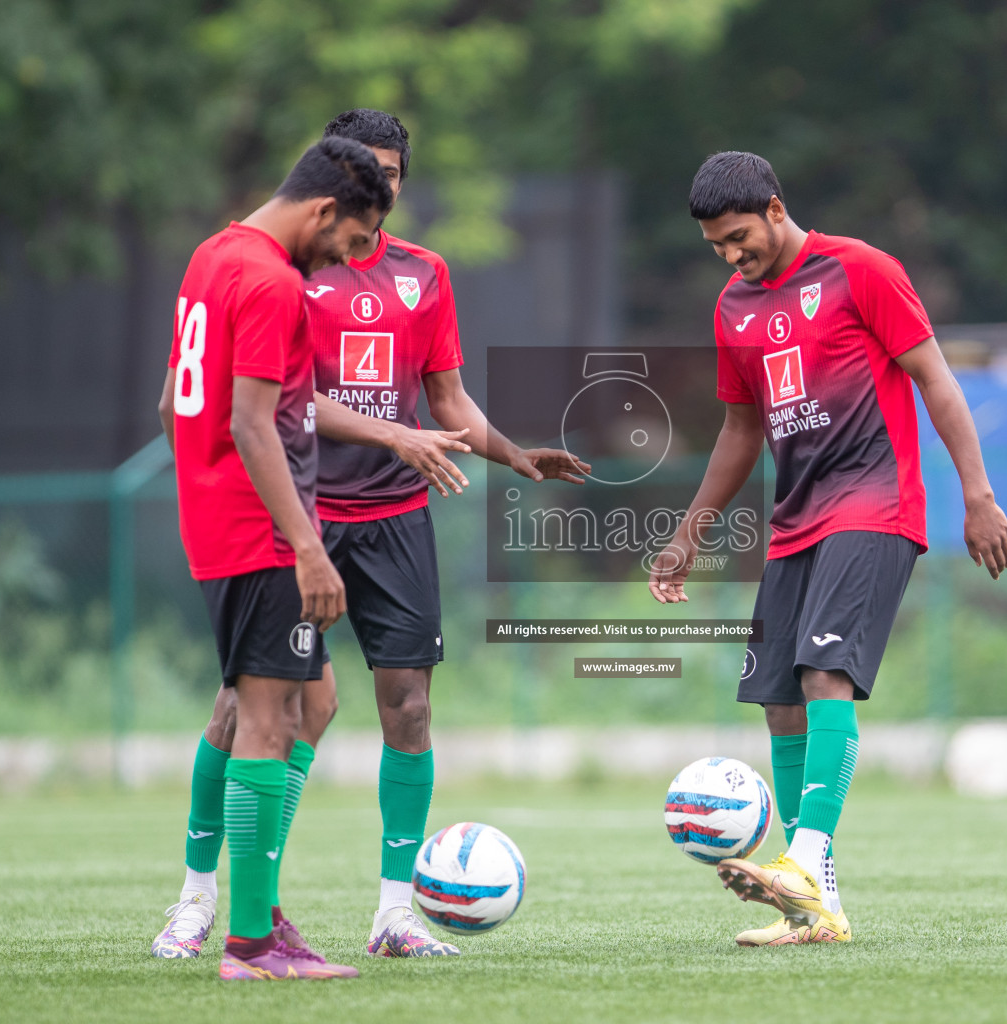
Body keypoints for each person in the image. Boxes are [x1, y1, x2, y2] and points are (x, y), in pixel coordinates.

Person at [151, 110, 586, 963]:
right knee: (255, 710)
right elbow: (268, 407)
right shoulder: (278, 271)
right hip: (297, 515)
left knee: (398, 708)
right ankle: (210, 903)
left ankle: (391, 915)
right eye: (367, 185)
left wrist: (512, 456)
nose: (379, 201)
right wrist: (387, 441)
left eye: (392, 182)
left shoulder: (416, 274)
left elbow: (445, 400)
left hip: (388, 519)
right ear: (330, 190)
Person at [649, 151, 1007, 947]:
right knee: (782, 699)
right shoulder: (733, 308)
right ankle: (812, 906)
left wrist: (978, 494)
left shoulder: (861, 271)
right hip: (795, 520)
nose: (731, 254)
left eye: (740, 236)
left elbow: (936, 380)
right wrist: (690, 535)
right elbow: (741, 429)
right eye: (717, 245)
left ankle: (803, 859)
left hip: (876, 505)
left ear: (776, 208)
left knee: (826, 676)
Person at [157, 136, 391, 980]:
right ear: (325, 210)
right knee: (266, 723)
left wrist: (205, 496)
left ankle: (263, 909)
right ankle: (251, 945)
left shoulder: (213, 256)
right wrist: (305, 549)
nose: (344, 262)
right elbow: (254, 423)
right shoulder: (271, 282)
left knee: (315, 702)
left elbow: (171, 403)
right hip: (262, 536)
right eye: (351, 241)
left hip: (226, 526)